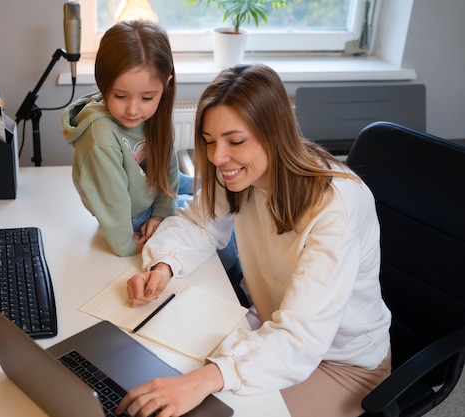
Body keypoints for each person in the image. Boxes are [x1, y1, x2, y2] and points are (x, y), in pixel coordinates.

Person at [116, 64, 392, 417]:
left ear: (274, 132)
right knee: (158, 368)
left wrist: (204, 379)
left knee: (204, 406)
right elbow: (200, 224)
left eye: (235, 141)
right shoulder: (238, 172)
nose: (217, 157)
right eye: (210, 141)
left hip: (341, 363)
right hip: (269, 327)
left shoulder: (337, 207)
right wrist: (164, 265)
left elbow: (300, 338)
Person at [61, 20, 184, 257]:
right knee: (207, 219)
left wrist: (163, 212)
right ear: (103, 83)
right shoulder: (100, 136)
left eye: (147, 98)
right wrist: (126, 245)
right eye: (120, 96)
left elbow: (168, 167)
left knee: (208, 196)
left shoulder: (157, 115)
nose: (133, 110)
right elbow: (113, 201)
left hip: (151, 196)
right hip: (130, 214)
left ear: (166, 85)